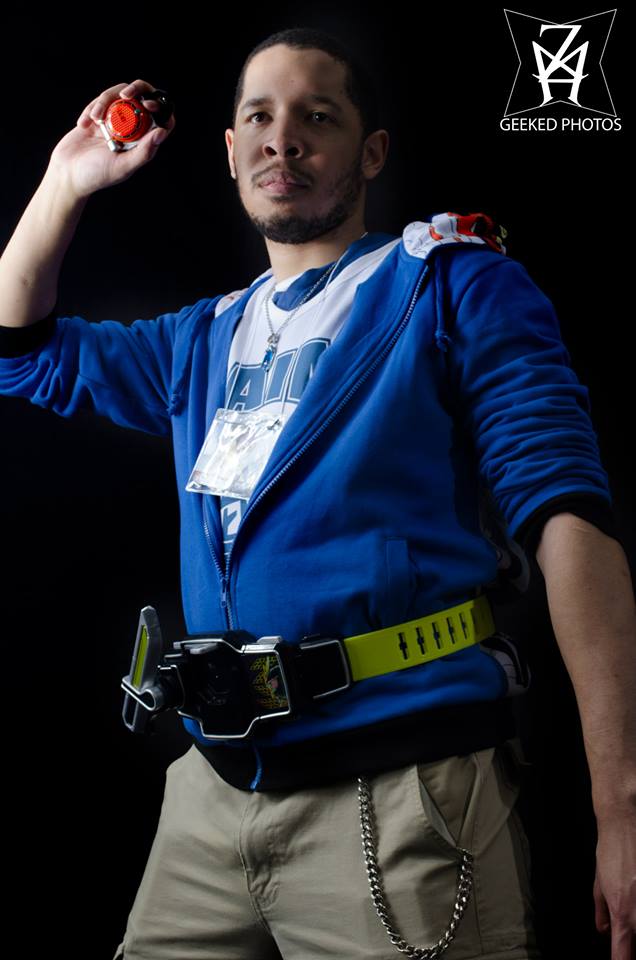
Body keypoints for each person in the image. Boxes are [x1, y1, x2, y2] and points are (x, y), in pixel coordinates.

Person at [1, 26, 634, 960]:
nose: (282, 139)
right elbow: (20, 350)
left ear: (371, 152)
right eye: (258, 117)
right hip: (214, 793)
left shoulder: (450, 286)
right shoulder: (200, 340)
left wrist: (621, 808)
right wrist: (66, 181)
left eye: (317, 117)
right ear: (230, 152)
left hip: (401, 790)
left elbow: (567, 516)